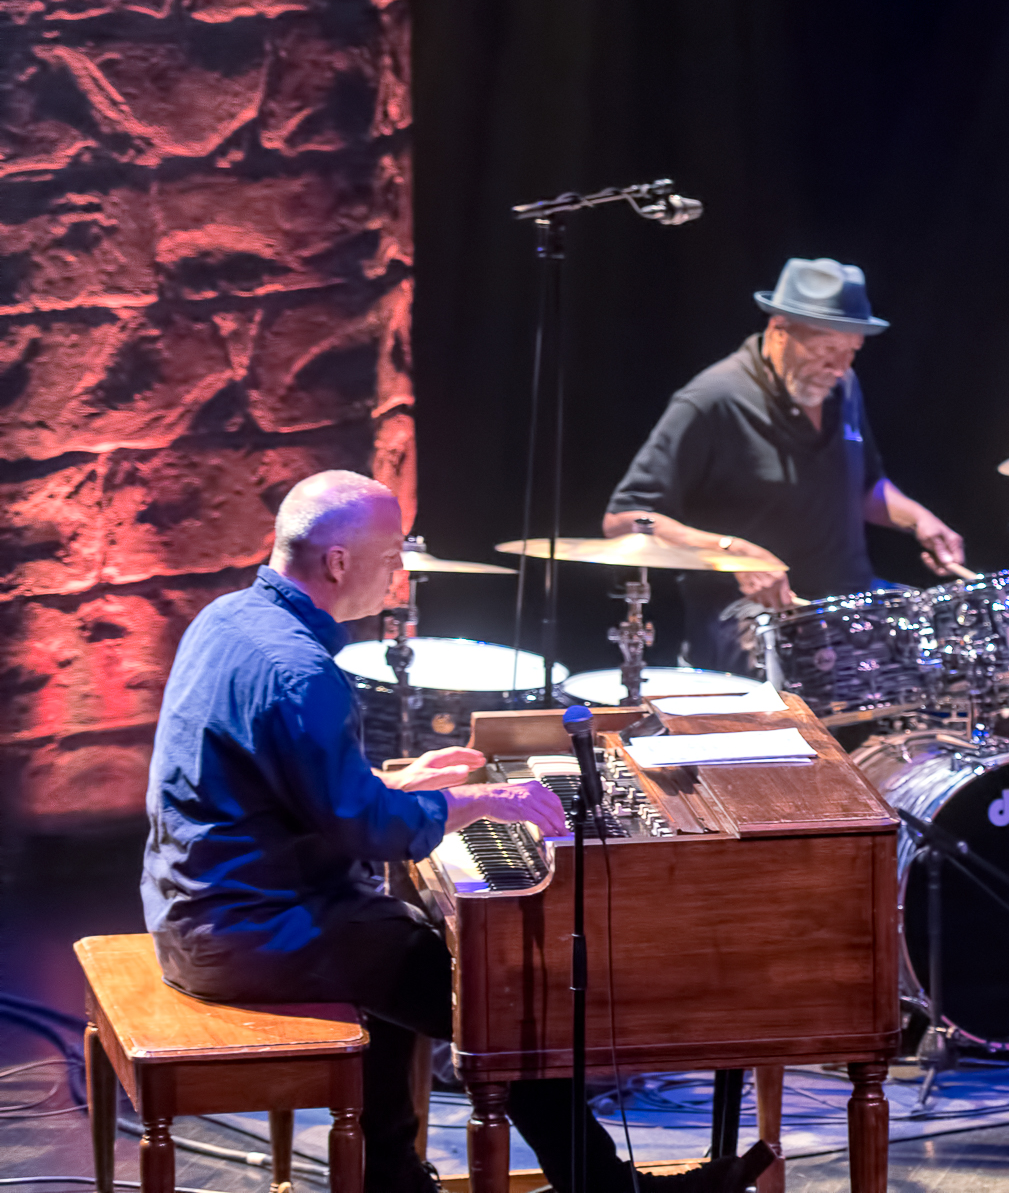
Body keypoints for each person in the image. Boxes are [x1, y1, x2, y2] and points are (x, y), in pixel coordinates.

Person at [143, 470, 773, 1193]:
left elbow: (282, 792)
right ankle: (603, 1189)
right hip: (251, 932)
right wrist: (485, 801)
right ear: (338, 563)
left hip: (199, 907)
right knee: (502, 999)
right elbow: (363, 828)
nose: (400, 575)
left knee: (410, 944)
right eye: (390, 558)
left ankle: (394, 1175)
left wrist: (404, 784)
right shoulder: (300, 670)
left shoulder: (226, 619)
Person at [605, 257, 966, 671]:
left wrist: (918, 519)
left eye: (851, 352)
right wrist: (732, 552)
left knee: (975, 652)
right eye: (826, 349)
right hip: (743, 616)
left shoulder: (842, 385)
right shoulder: (711, 400)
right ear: (779, 330)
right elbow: (625, 518)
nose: (839, 367)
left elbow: (863, 486)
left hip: (846, 601)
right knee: (804, 667)